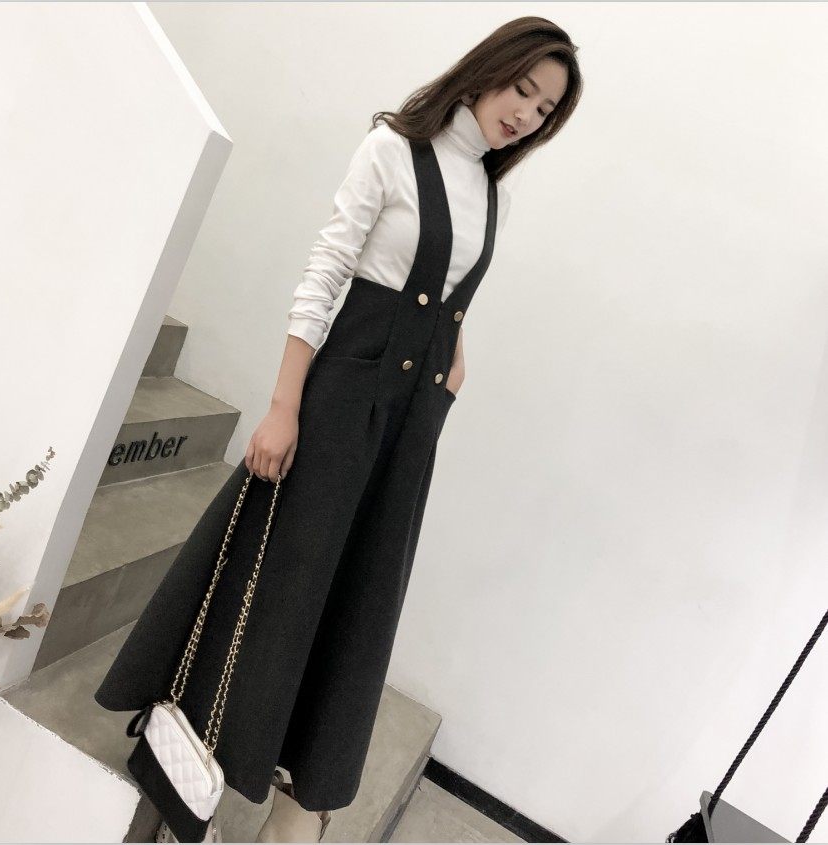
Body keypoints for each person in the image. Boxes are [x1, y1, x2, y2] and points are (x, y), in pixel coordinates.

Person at [94, 15, 582, 843]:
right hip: (343, 397)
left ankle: (301, 797)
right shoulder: (392, 150)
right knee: (274, 581)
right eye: (522, 89)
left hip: (409, 423)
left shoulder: (492, 192)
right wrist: (284, 406)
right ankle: (194, 771)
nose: (525, 115)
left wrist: (454, 367)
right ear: (486, 70)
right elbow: (325, 273)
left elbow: (450, 292)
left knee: (356, 601)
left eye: (544, 112)